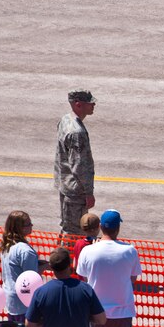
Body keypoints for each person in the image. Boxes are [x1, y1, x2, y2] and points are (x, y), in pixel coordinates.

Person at [76, 209, 143, 327]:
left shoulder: (88, 251)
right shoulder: (130, 251)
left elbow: (84, 278)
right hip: (123, 312)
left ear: (100, 226)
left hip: (96, 312)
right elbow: (133, 279)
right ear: (118, 228)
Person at [55, 89, 97, 236]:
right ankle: (66, 258)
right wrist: (88, 193)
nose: (93, 105)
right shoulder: (77, 132)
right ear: (78, 104)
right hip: (76, 191)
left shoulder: (66, 120)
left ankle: (62, 257)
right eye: (90, 103)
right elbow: (79, 165)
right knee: (74, 232)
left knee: (67, 227)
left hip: (65, 184)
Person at [0, 210, 47, 324]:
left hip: (11, 299)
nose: (31, 226)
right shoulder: (25, 251)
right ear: (20, 228)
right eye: (28, 224)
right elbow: (31, 278)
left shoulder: (8, 245)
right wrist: (44, 267)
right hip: (24, 302)